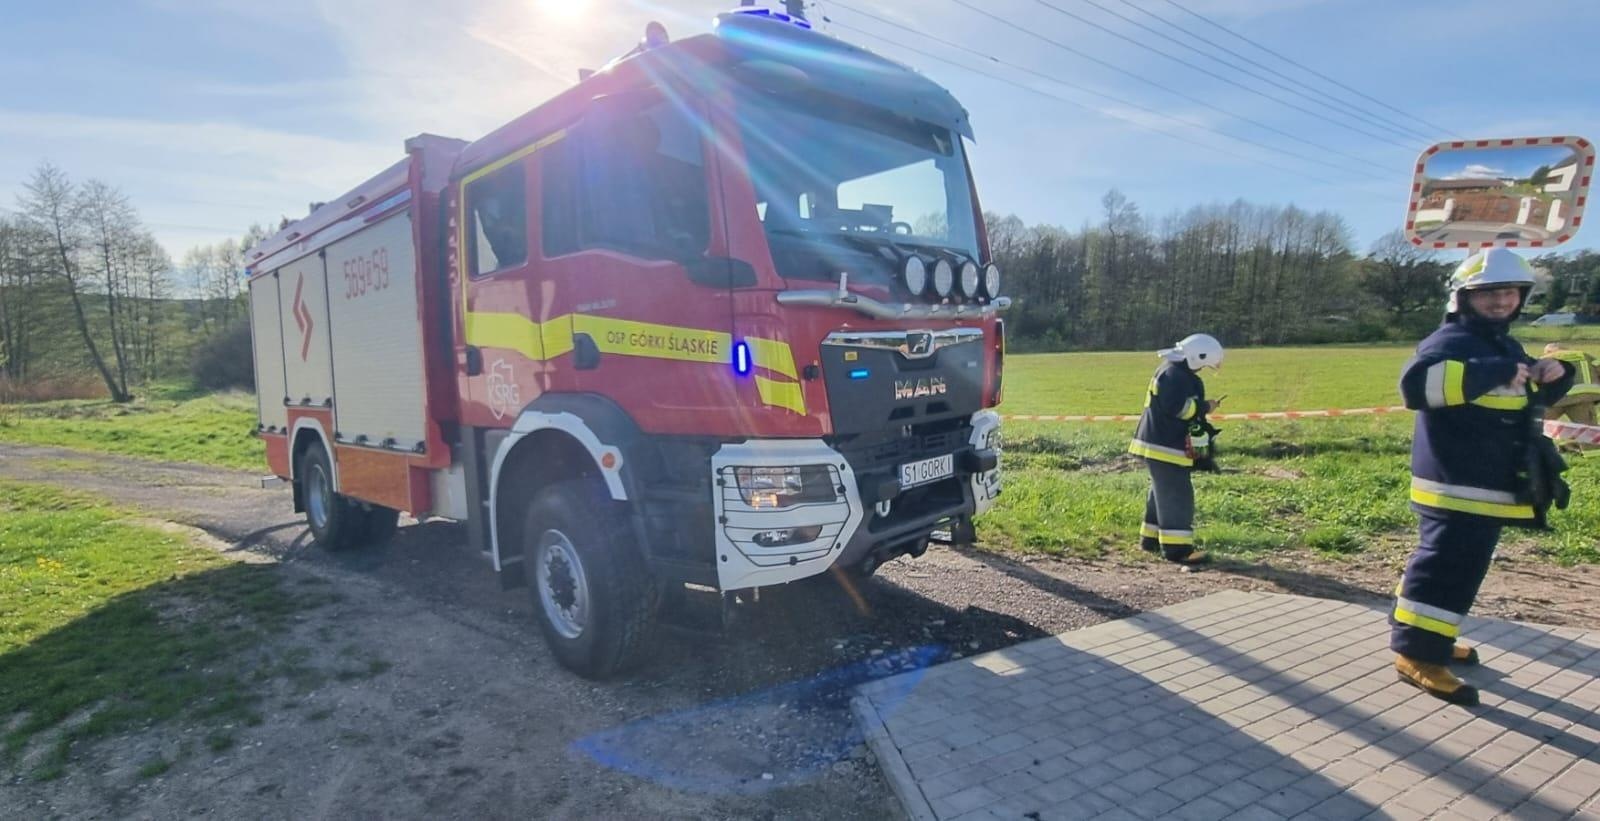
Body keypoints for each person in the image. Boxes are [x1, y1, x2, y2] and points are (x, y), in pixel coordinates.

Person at [1392, 248, 1575, 706]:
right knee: (1445, 571)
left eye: (1510, 292)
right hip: (1455, 485)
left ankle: (1425, 633)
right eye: (1489, 293)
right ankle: (1418, 654)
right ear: (1463, 297)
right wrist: (1493, 371)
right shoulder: (1450, 343)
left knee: (1450, 571)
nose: (1500, 301)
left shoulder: (1501, 343)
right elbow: (1416, 387)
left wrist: (1555, 373)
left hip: (1481, 485)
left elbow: (1520, 394)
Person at [1131, 333, 1224, 566]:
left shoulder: (1172, 370)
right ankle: (1178, 550)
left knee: (1161, 492)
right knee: (1177, 495)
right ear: (1196, 357)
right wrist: (1204, 406)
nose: (1202, 370)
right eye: (1203, 365)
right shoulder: (1175, 375)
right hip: (1165, 446)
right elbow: (1177, 408)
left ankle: (1150, 539)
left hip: (1158, 443)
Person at [1541, 343, 1600, 427]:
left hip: (1555, 399)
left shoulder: (1544, 359)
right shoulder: (1583, 355)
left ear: (1548, 352)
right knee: (1588, 431)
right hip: (1581, 397)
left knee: (1534, 426)